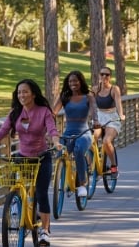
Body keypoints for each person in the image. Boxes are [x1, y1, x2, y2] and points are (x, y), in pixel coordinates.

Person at [0, 79, 61, 246]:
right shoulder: (15, 113)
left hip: (41, 158)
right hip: (22, 156)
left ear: (33, 94)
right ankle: (18, 208)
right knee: (16, 187)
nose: (22, 95)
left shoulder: (44, 111)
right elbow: (3, 129)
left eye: (25, 92)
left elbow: (52, 129)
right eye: (19, 92)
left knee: (41, 194)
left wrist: (56, 142)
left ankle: (45, 231)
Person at [52, 70, 98, 199]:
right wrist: (47, 122)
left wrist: (96, 121)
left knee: (78, 150)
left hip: (84, 132)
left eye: (75, 81)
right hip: (68, 132)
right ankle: (64, 178)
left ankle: (82, 183)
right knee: (60, 151)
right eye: (70, 81)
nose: (73, 83)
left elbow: (94, 110)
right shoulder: (65, 97)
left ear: (80, 82)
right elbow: (53, 112)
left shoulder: (88, 97)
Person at [91, 66, 125, 178]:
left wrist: (121, 115)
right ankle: (92, 164)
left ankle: (114, 166)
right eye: (102, 74)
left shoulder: (114, 89)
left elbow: (118, 103)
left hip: (112, 117)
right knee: (91, 139)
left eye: (107, 74)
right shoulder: (95, 89)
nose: (104, 76)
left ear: (110, 77)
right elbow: (89, 103)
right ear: (99, 75)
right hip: (99, 116)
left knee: (106, 141)